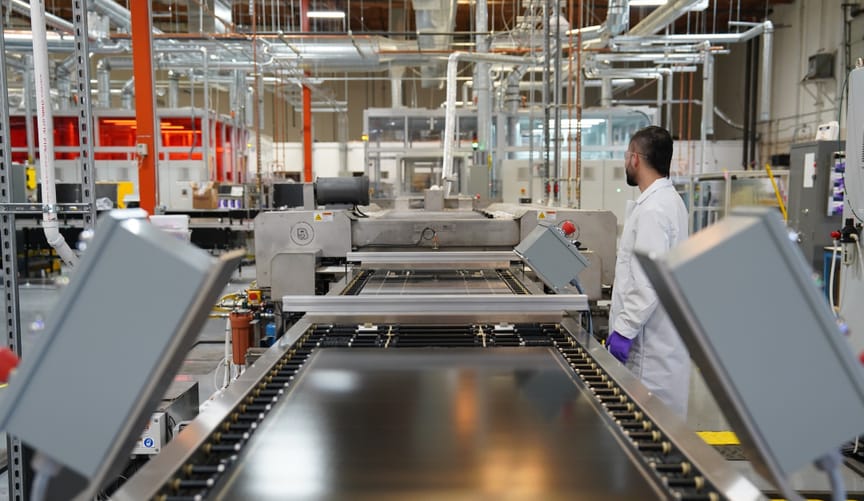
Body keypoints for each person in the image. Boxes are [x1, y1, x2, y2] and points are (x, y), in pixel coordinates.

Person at [607, 126, 691, 418]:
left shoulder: (654, 210)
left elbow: (647, 283)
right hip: (660, 342)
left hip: (649, 351)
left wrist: (624, 330)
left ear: (635, 159)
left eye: (626, 156)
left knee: (650, 429)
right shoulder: (669, 201)